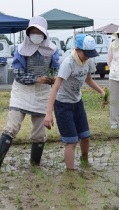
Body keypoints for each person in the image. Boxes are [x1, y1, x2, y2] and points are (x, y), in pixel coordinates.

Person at [0, 16, 59, 170]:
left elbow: (56, 68)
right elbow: (19, 74)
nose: (35, 34)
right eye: (33, 31)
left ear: (44, 34)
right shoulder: (21, 50)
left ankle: (35, 167)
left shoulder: (53, 50)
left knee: (39, 133)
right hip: (22, 91)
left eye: (39, 31)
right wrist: (37, 78)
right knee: (12, 127)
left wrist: (53, 77)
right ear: (28, 33)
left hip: (42, 93)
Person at [44, 34, 105, 171]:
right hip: (63, 104)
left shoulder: (88, 61)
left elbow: (88, 79)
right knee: (71, 141)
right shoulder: (68, 63)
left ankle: (85, 163)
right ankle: (70, 173)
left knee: (85, 136)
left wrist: (101, 92)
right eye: (86, 53)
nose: (88, 56)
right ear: (77, 50)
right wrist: (49, 113)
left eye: (90, 54)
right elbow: (55, 88)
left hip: (77, 102)